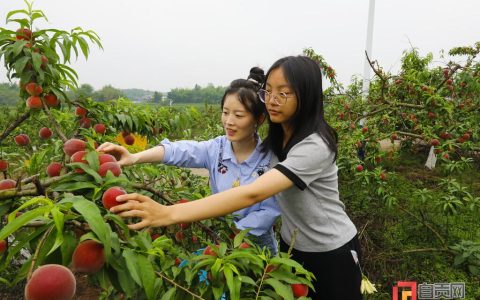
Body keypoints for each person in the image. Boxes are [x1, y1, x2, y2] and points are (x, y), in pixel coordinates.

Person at [107, 56, 362, 299]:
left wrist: (169, 213)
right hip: (291, 247)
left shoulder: (313, 146)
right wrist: (134, 157)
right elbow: (182, 150)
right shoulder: (276, 141)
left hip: (330, 252)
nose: (272, 99)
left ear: (305, 96)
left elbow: (254, 194)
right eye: (269, 91)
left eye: (282, 93)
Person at [97, 68, 280, 255]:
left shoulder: (271, 158)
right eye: (225, 112)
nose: (229, 122)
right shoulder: (216, 150)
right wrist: (135, 157)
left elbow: (269, 211)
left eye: (239, 115)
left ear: (259, 119)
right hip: (223, 240)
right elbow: (180, 151)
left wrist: (236, 233)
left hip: (259, 248)